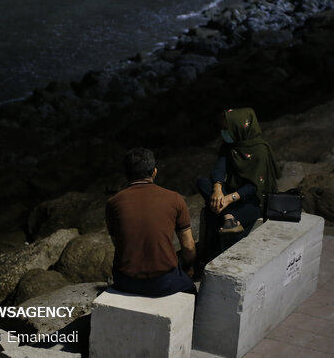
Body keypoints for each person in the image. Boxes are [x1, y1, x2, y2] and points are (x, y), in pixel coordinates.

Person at [105, 147, 197, 297]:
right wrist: (188, 268)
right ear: (154, 172)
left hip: (126, 281)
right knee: (191, 291)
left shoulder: (113, 203)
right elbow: (188, 246)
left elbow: (118, 243)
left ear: (126, 174)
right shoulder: (175, 199)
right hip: (163, 282)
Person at [197, 107, 281, 264]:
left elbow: (254, 186)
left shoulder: (260, 150)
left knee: (213, 213)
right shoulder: (230, 145)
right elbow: (219, 168)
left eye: (226, 129)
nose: (224, 132)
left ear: (238, 128)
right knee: (203, 183)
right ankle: (228, 216)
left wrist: (229, 198)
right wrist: (217, 188)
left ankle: (210, 263)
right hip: (230, 192)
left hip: (252, 200)